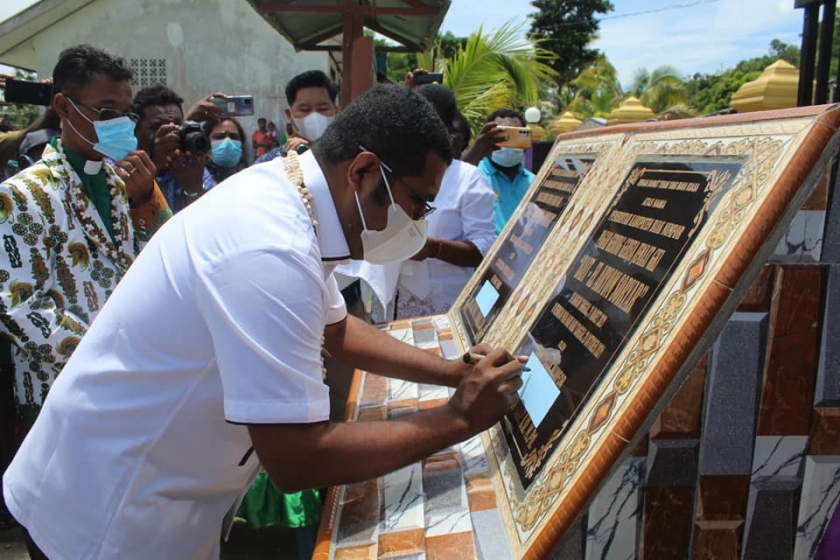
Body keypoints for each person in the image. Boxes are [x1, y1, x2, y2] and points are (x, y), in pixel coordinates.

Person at [3, 84, 523, 559]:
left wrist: (453, 372)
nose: (418, 224)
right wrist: (457, 420)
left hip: (148, 486)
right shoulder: (270, 244)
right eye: (417, 203)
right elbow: (297, 459)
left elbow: (336, 329)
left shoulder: (290, 194)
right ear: (363, 172)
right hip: (106, 515)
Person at [0, 44, 171, 555]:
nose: (120, 125)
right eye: (106, 113)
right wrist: (108, 362)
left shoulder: (123, 185)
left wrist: (147, 202)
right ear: (63, 107)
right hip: (63, 402)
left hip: (127, 401)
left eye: (126, 113)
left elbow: (152, 269)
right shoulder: (22, 195)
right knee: (63, 539)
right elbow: (19, 307)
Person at [337, 84, 496, 320]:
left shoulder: (468, 179)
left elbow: (484, 249)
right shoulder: (384, 170)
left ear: (450, 127)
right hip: (390, 301)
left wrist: (433, 248)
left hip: (442, 304)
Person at [133, 84, 219, 212]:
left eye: (177, 127)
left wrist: (194, 190)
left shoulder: (191, 170)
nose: (169, 135)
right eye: (157, 128)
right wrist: (155, 167)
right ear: (136, 131)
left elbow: (211, 219)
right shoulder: (124, 171)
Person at [475, 109, 536, 233]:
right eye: (501, 136)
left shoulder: (535, 183)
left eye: (515, 136)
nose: (509, 145)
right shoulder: (474, 176)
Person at [257, 70, 338, 162]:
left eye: (323, 108)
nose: (314, 117)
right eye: (305, 109)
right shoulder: (270, 163)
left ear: (336, 111)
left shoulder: (349, 159)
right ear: (289, 115)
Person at [205, 117, 247, 183]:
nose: (228, 142)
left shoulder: (250, 178)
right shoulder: (195, 177)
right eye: (219, 136)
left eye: (234, 137)